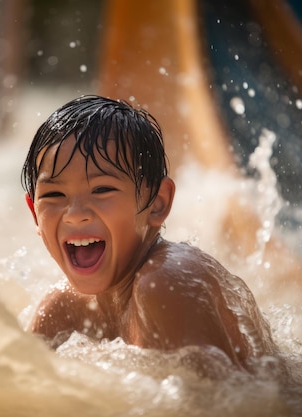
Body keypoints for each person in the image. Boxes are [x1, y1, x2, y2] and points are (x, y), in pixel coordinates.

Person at [21, 95, 277, 371]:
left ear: (158, 203)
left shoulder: (166, 284)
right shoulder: (61, 311)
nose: (74, 213)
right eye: (54, 194)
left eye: (102, 190)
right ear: (35, 213)